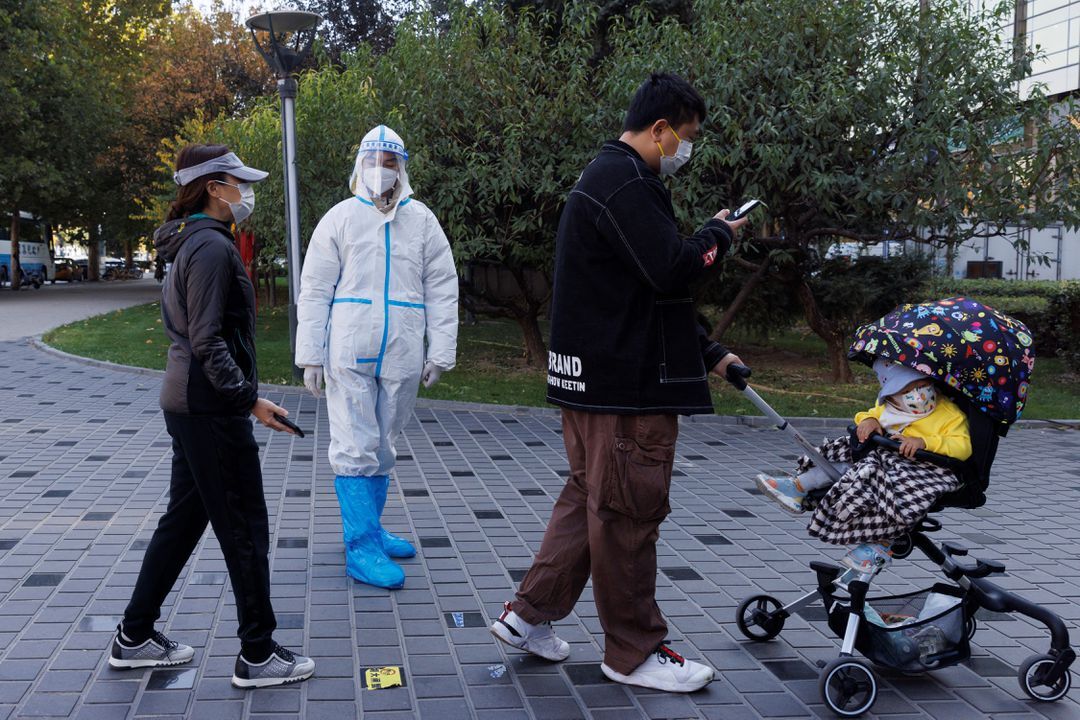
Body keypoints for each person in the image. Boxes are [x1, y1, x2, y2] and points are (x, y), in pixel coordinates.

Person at [488, 73, 747, 694]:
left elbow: (633, 294)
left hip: (593, 384)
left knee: (590, 499)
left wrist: (707, 352)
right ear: (660, 130)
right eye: (684, 138)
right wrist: (719, 235)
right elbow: (672, 270)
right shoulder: (629, 181)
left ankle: (527, 617)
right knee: (629, 510)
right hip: (626, 392)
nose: (685, 151)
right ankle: (633, 650)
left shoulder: (603, 180)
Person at [109, 144, 315, 689]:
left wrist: (243, 398)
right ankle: (258, 653)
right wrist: (246, 400)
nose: (245, 192)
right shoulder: (208, 248)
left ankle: (133, 636)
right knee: (244, 527)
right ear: (212, 187)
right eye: (236, 182)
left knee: (184, 521)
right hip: (207, 407)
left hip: (193, 403)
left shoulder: (194, 242)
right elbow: (207, 339)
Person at [296, 125, 458, 589]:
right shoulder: (340, 218)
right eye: (373, 162)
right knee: (353, 444)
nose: (381, 171)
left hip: (403, 348)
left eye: (389, 163)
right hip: (349, 348)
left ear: (402, 168)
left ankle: (371, 528)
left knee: (384, 442)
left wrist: (440, 352)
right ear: (358, 166)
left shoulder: (422, 220)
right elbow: (314, 289)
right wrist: (310, 354)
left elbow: (443, 288)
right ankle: (360, 549)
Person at [756, 358, 972, 574]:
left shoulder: (948, 413)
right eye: (907, 390)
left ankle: (880, 544)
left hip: (928, 468)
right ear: (891, 397)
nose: (919, 394)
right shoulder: (889, 408)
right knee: (846, 452)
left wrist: (925, 442)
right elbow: (869, 413)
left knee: (893, 489)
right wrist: (870, 421)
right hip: (886, 458)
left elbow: (962, 446)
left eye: (921, 385)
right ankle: (798, 488)